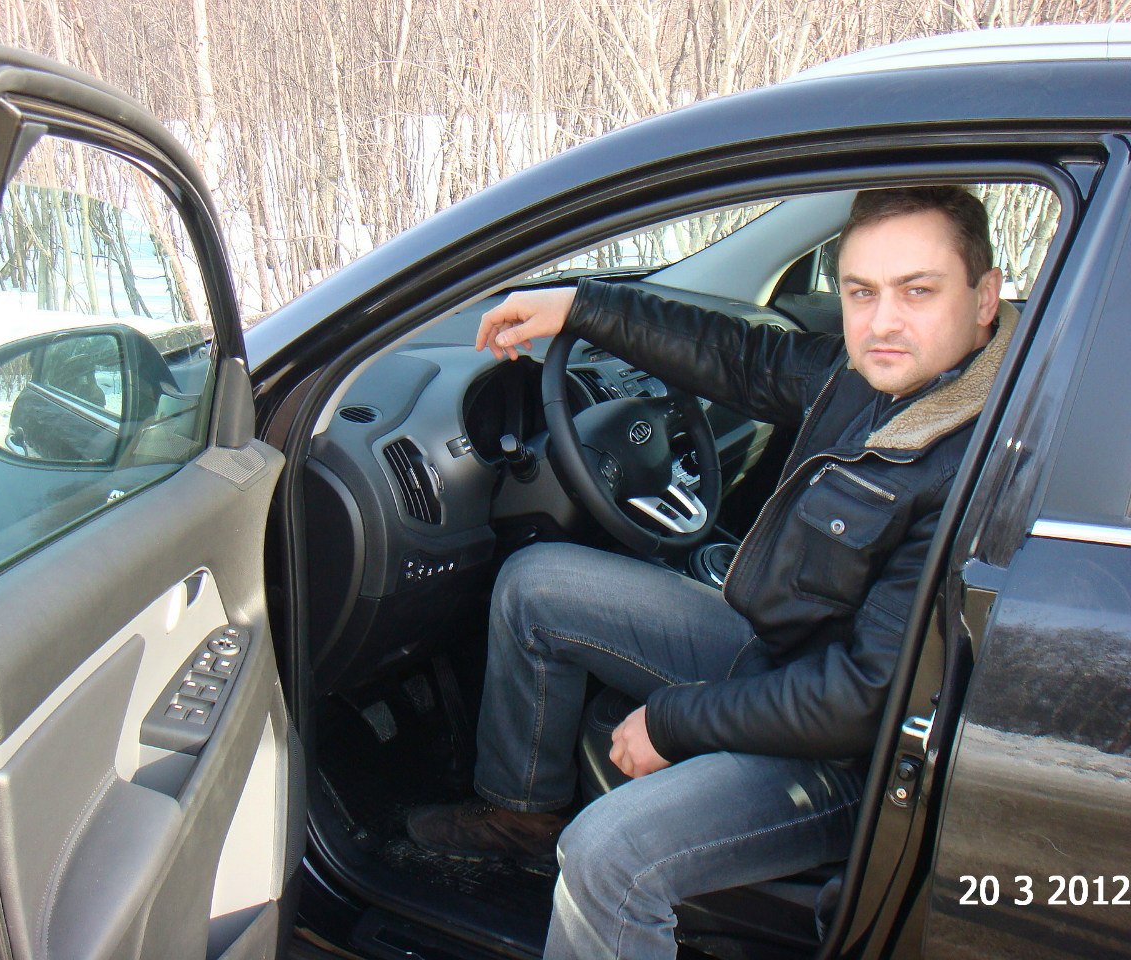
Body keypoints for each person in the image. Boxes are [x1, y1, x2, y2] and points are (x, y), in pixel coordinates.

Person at [407, 186, 1012, 959]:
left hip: (851, 761)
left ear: (985, 297)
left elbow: (859, 702)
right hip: (780, 661)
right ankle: (521, 816)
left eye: (918, 290)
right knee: (535, 587)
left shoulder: (967, 459)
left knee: (608, 858)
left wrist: (675, 721)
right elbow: (745, 358)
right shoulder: (880, 375)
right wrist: (583, 306)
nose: (882, 321)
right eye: (861, 291)